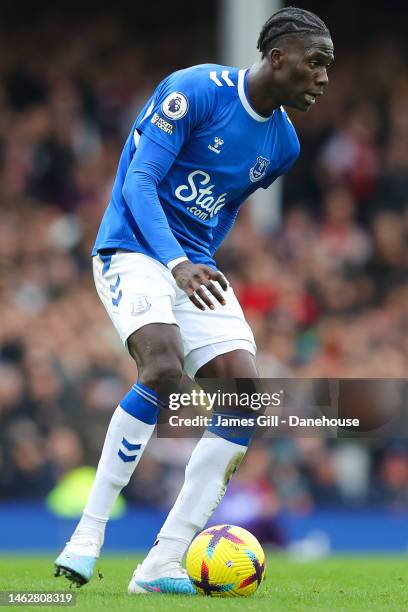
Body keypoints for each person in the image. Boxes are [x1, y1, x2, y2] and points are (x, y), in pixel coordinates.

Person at [55, 6, 334, 595]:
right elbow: (138, 182)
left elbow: (226, 203)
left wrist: (199, 260)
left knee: (246, 395)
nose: (323, 77)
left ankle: (162, 563)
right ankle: (87, 534)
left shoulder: (283, 144)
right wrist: (177, 263)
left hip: (191, 263)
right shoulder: (195, 90)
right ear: (276, 56)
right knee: (160, 366)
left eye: (327, 67)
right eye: (315, 62)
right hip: (132, 247)